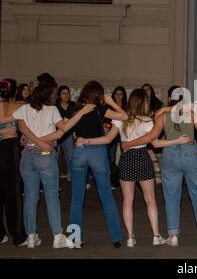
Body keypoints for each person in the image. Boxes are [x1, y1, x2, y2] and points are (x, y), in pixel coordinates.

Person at [122, 86, 197, 247]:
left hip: (170, 154)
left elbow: (151, 137)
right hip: (191, 153)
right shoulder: (191, 113)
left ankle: (173, 235)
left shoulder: (162, 116)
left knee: (171, 195)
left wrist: (130, 144)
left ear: (170, 98)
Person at [76, 89, 189, 247]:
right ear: (143, 103)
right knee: (150, 200)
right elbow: (156, 143)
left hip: (127, 159)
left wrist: (85, 141)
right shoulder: (147, 121)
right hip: (143, 157)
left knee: (128, 200)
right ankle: (156, 236)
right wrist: (176, 141)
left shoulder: (121, 121)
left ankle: (130, 237)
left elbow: (108, 139)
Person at [1, 82, 95, 249]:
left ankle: (31, 236)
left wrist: (2, 100)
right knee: (52, 197)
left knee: (30, 197)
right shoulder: (52, 110)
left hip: (26, 157)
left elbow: (3, 119)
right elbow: (64, 128)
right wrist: (81, 111)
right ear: (49, 95)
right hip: (45, 157)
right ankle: (57, 236)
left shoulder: (25, 108)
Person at [66, 81, 128, 248]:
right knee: (106, 196)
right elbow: (124, 116)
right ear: (99, 95)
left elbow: (64, 127)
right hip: (98, 151)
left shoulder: (73, 109)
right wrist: (112, 102)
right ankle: (116, 238)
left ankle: (74, 239)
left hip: (79, 150)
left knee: (77, 198)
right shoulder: (99, 109)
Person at [0, 79, 27, 247]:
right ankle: (18, 236)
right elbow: (24, 128)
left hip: (9, 148)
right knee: (13, 193)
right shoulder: (19, 106)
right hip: (9, 149)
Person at [106, 86, 128, 188]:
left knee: (126, 157)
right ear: (113, 95)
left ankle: (127, 178)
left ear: (123, 96)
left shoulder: (127, 107)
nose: (118, 96)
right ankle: (112, 180)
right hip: (113, 133)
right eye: (116, 94)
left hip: (124, 134)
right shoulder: (108, 107)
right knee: (111, 158)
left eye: (120, 94)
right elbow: (105, 121)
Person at [56, 86, 76, 181]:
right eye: (63, 93)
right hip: (56, 135)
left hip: (68, 135)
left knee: (71, 158)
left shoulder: (73, 105)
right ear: (59, 95)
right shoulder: (54, 106)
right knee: (54, 159)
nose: (66, 95)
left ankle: (72, 178)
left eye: (68, 93)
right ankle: (54, 180)